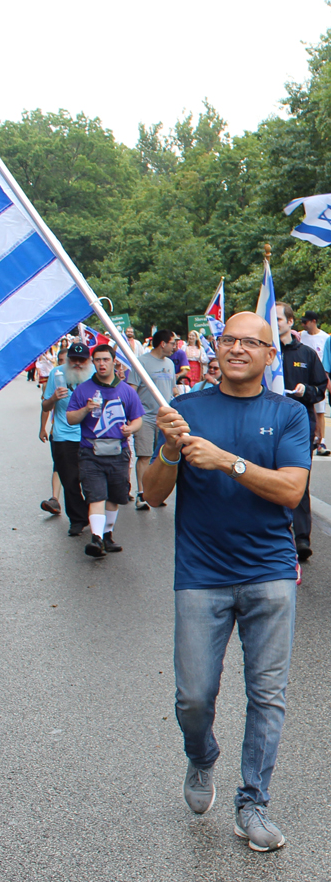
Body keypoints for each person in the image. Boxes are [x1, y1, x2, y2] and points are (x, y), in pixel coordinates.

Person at [143, 312, 310, 852]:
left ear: (269, 355)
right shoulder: (185, 411)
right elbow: (152, 495)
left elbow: (290, 491)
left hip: (269, 573)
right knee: (194, 697)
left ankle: (252, 803)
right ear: (217, 349)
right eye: (229, 340)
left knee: (268, 695)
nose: (237, 348)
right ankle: (201, 756)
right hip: (201, 575)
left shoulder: (288, 415)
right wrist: (170, 450)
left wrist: (226, 462)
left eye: (250, 342)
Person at [66, 344, 144, 557]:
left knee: (114, 497)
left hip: (118, 452)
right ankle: (96, 538)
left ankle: (107, 535)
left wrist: (130, 429)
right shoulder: (84, 390)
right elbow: (71, 418)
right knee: (96, 495)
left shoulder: (126, 390)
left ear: (113, 362)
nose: (101, 364)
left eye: (105, 360)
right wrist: (86, 409)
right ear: (93, 362)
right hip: (90, 452)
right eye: (98, 360)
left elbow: (138, 418)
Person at [276, 302, 327, 561]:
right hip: (268, 423)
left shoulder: (306, 354)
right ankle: (274, 534)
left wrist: (305, 391)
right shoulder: (265, 354)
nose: (275, 323)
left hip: (299, 423)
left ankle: (301, 538)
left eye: (279, 319)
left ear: (290, 322)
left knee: (298, 479)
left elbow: (320, 387)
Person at [40, 343, 92, 535]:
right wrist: (53, 398)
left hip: (90, 435)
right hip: (63, 435)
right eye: (74, 359)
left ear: (88, 360)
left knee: (89, 479)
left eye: (82, 360)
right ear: (68, 359)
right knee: (69, 480)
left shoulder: (95, 373)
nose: (77, 363)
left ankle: (93, 515)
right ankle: (77, 520)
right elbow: (45, 406)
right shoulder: (56, 374)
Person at [127, 329, 175, 511]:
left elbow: (172, 389)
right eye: (172, 343)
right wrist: (133, 415)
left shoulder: (170, 364)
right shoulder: (141, 362)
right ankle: (141, 494)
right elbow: (131, 390)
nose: (174, 347)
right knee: (145, 455)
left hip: (164, 418)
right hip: (145, 417)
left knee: (160, 457)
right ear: (163, 343)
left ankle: (155, 493)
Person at [39, 347, 68, 518]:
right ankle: (55, 499)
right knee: (58, 465)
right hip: (59, 430)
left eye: (67, 361)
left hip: (81, 433)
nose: (64, 364)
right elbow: (46, 405)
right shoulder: (55, 379)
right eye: (61, 361)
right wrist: (43, 427)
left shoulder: (81, 378)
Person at [299, 309, 330, 455]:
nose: (304, 325)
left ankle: (321, 441)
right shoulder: (301, 336)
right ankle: (310, 437)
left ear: (314, 322)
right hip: (303, 377)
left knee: (320, 411)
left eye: (306, 322)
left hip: (318, 377)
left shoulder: (324, 338)